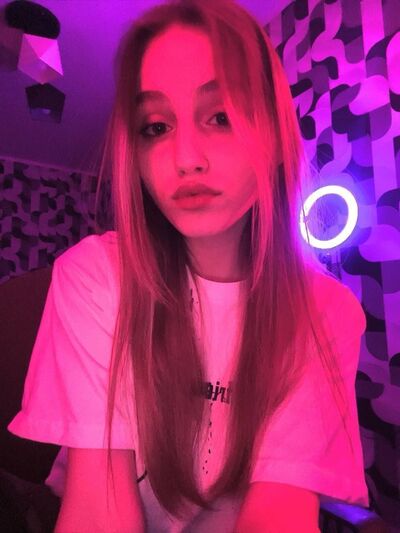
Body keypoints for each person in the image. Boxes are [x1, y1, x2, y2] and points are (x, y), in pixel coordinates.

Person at [8, 0, 370, 531]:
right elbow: (99, 511)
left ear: (274, 136)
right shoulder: (95, 276)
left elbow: (279, 514)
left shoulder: (323, 311)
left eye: (220, 117)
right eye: (155, 127)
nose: (185, 158)